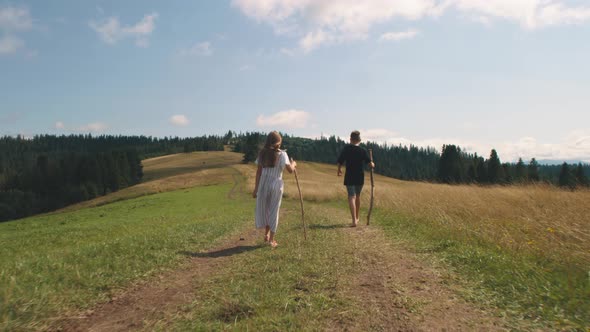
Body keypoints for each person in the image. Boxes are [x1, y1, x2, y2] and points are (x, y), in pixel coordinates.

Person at [253, 131, 297, 248]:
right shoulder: (282, 154)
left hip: (264, 184)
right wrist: (294, 164)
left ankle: (266, 234)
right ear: (279, 142)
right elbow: (290, 170)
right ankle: (271, 240)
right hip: (276, 184)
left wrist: (256, 189)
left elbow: (258, 172)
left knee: (266, 209)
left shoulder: (262, 153)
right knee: (274, 210)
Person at [337, 130, 375, 227]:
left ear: (350, 139)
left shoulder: (346, 149)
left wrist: (339, 170)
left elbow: (340, 161)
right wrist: (372, 164)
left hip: (349, 176)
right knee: (357, 196)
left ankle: (354, 220)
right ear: (359, 140)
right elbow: (370, 164)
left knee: (351, 197)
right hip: (359, 176)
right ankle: (357, 217)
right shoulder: (362, 151)